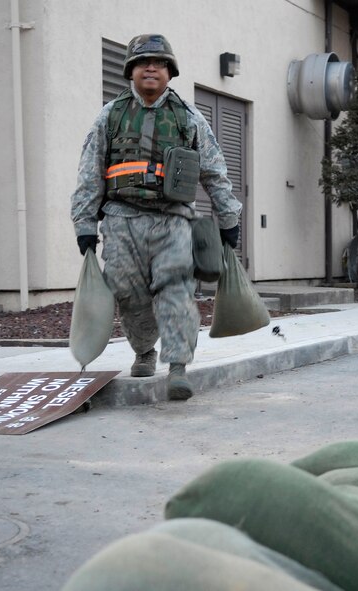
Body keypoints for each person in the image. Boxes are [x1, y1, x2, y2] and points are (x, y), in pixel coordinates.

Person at [71, 34, 242, 401]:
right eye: (144, 62)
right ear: (131, 71)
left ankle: (178, 366)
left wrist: (228, 217)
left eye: (160, 63)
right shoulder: (110, 115)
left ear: (169, 72)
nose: (151, 68)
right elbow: (89, 172)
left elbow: (214, 171)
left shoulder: (188, 117)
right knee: (128, 294)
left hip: (172, 221)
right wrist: (85, 225)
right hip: (120, 220)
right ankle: (144, 350)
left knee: (176, 287)